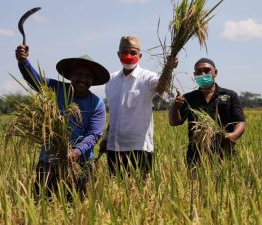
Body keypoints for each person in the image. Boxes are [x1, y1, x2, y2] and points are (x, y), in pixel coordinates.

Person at [15, 44, 109, 198]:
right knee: (43, 204)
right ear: (71, 75)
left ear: (92, 80)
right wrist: (23, 62)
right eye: (78, 74)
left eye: (88, 76)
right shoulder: (55, 88)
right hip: (50, 161)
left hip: (81, 164)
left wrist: (76, 152)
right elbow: (35, 80)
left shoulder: (97, 104)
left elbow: (93, 135)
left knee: (79, 210)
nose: (83, 79)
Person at [99, 35, 177, 177]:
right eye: (124, 52)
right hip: (114, 147)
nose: (128, 56)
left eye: (133, 53)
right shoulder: (110, 80)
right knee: (116, 193)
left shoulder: (148, 78)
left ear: (140, 55)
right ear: (118, 54)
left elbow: (162, 88)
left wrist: (169, 68)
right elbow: (115, 114)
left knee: (141, 193)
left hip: (139, 148)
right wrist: (105, 139)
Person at [168, 58, 246, 168]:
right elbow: (174, 122)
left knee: (226, 183)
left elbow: (240, 122)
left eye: (207, 70)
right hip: (196, 154)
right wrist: (175, 107)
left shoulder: (229, 95)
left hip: (224, 151)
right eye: (199, 72)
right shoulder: (188, 98)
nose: (203, 74)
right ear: (194, 74)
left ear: (215, 72)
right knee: (195, 184)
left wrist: (233, 135)